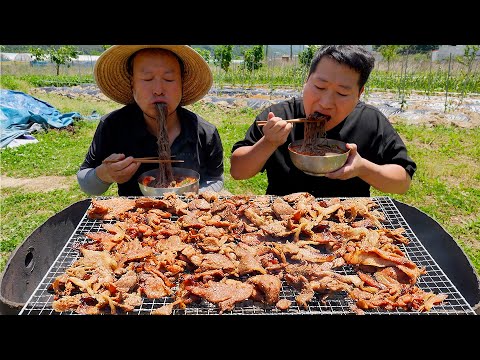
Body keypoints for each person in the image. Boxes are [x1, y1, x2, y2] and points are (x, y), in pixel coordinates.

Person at [230, 45, 416, 198]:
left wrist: (362, 168)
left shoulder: (370, 121)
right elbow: (238, 171)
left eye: (342, 93)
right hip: (281, 222)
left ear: (359, 93)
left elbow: (402, 183)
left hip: (346, 225)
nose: (326, 103)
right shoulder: (279, 115)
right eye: (319, 86)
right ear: (306, 81)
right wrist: (268, 142)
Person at [77, 45, 224, 196]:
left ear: (182, 83)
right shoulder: (113, 126)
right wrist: (103, 175)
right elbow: (85, 182)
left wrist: (200, 195)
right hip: (134, 216)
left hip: (189, 214)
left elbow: (215, 178)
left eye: (169, 79)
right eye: (147, 78)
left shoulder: (205, 132)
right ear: (132, 83)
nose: (158, 90)